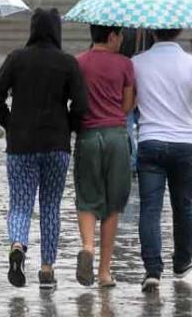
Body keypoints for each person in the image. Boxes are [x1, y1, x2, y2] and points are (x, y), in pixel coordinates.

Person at [0, 8, 87, 290]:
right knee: (50, 207)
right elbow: (80, 106)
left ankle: (18, 244)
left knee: (20, 204)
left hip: (20, 144)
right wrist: (68, 127)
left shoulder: (16, 58)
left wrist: (10, 123)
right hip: (56, 146)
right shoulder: (68, 63)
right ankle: (47, 268)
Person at [132, 28, 192, 293]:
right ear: (179, 31)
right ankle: (182, 260)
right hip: (184, 146)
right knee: (183, 206)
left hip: (149, 143)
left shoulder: (137, 63)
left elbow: (127, 105)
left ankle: (152, 270)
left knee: (150, 208)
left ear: (151, 32)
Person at [74, 25, 135, 288]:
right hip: (116, 137)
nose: (122, 40)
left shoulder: (78, 62)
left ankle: (87, 247)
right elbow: (127, 105)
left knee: (87, 198)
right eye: (120, 35)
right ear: (111, 36)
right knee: (113, 205)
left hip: (88, 136)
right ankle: (104, 272)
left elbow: (73, 101)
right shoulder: (125, 64)